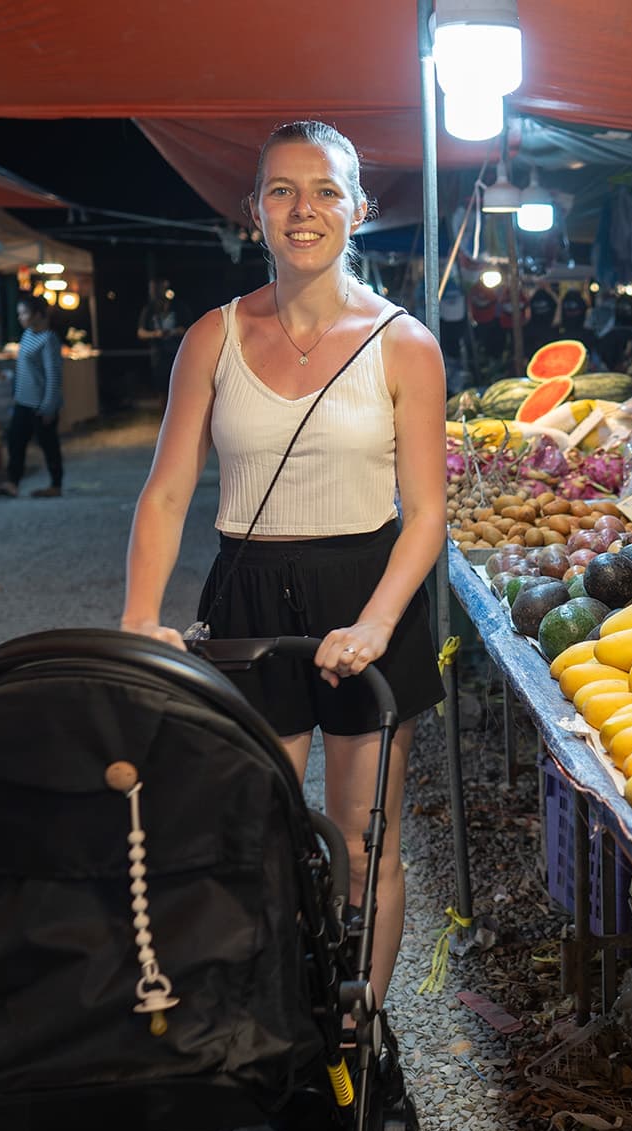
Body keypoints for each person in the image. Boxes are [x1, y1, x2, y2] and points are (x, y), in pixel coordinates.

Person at [120, 120, 447, 1003]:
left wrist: (376, 623)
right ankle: (272, 1021)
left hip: (367, 591)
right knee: (251, 837)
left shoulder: (404, 343)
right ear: (254, 212)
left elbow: (425, 514)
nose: (305, 210)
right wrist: (139, 620)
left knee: (363, 843)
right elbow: (165, 493)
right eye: (283, 191)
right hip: (248, 594)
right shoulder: (212, 337)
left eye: (326, 191)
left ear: (359, 210)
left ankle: (359, 1034)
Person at [0, 295, 63, 498]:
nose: (20, 317)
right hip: (23, 401)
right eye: (19, 314)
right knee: (16, 442)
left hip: (40, 404)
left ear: (38, 315)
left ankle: (55, 485)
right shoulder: (27, 335)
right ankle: (12, 482)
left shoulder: (48, 339)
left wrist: (49, 407)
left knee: (48, 444)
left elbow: (53, 376)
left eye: (24, 313)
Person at [137, 278, 190, 394]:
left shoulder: (179, 307)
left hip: (177, 354)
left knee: (179, 388)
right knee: (161, 390)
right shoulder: (149, 309)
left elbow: (188, 329)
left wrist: (174, 332)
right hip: (158, 356)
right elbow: (141, 332)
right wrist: (155, 334)